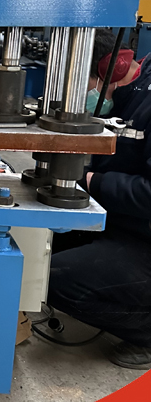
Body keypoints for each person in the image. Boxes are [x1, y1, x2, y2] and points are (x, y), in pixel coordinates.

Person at [47, 27, 151, 369]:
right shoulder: (126, 97)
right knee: (36, 250)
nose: (81, 93)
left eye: (83, 82)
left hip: (144, 238)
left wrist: (92, 181)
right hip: (124, 222)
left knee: (56, 279)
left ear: (112, 69)